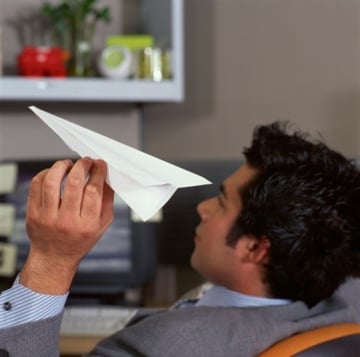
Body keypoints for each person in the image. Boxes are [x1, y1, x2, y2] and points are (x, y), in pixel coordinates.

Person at [0, 122, 360, 357]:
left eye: (220, 203)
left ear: (254, 248)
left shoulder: (163, 346)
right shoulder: (344, 302)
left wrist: (51, 261)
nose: (202, 208)